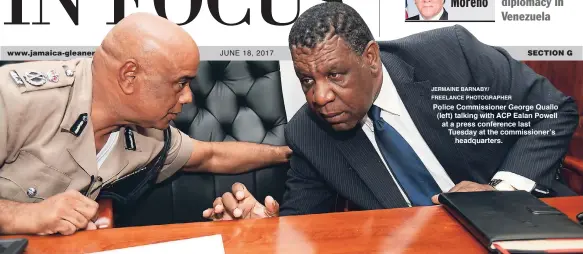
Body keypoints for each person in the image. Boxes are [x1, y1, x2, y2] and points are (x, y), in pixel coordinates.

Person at [203, 2, 578, 220]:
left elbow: (554, 110)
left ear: (370, 58)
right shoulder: (309, 131)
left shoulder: (450, 54)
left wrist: (502, 191)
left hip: (523, 223)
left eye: (335, 75)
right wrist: (269, 229)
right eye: (306, 80)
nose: (319, 97)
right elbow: (306, 224)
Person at [0, 13, 292, 235]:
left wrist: (289, 152)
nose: (189, 97)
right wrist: (21, 216)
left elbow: (210, 155)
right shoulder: (15, 99)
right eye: (180, 83)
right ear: (130, 76)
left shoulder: (147, 134)